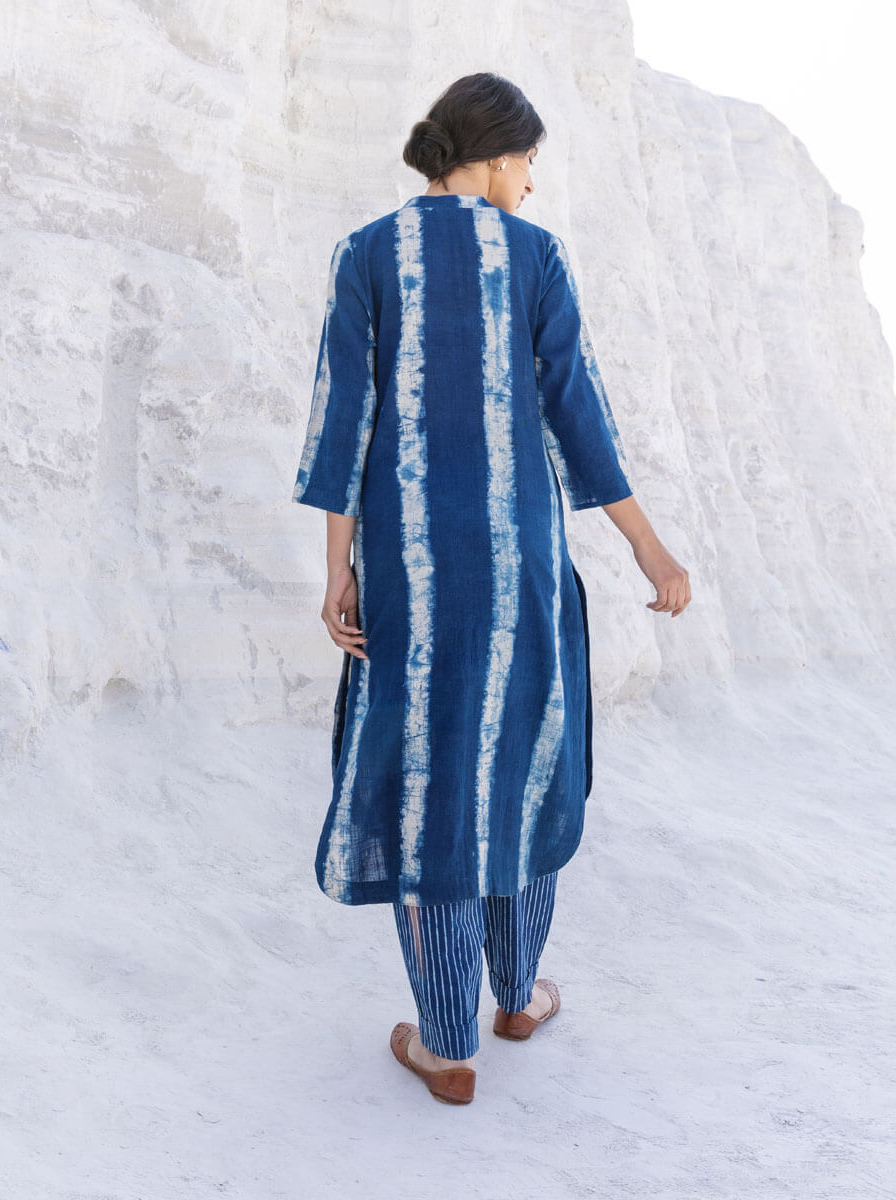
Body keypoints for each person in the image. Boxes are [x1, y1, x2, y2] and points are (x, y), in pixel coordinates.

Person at [291, 72, 690, 1105]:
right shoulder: (535, 255)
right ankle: (517, 995)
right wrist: (650, 551)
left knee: (429, 780)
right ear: (501, 155)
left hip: (412, 576)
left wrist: (337, 571)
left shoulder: (366, 253)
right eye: (530, 164)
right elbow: (578, 415)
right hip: (522, 570)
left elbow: (345, 422)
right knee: (523, 763)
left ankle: (446, 1042)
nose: (532, 185)